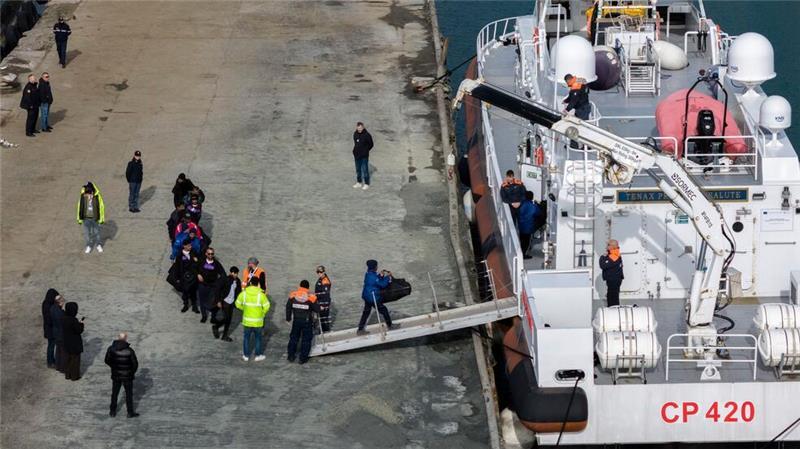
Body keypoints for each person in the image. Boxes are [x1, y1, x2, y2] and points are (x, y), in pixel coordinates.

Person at [235, 276, 271, 362]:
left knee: (246, 338)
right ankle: (258, 355)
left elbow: (237, 304)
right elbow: (267, 306)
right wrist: (262, 313)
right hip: (258, 322)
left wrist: (244, 309)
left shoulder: (243, 294)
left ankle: (246, 356)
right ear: (258, 284)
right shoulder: (261, 295)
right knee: (258, 338)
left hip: (247, 321)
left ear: (250, 283)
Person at [104, 333, 139, 418]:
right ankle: (130, 412)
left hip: (116, 375)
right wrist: (131, 372)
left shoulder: (111, 349)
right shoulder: (130, 351)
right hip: (127, 376)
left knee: (115, 393)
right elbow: (135, 364)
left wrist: (114, 367)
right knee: (128, 394)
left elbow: (106, 360)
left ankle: (112, 411)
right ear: (125, 339)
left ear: (118, 338)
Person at [356, 260, 395, 335]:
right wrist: (388, 277)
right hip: (372, 297)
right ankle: (390, 325)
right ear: (375, 267)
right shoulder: (373, 277)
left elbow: (375, 281)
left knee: (366, 313)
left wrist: (380, 275)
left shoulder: (368, 274)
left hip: (366, 296)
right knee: (384, 310)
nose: (377, 267)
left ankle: (360, 330)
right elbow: (382, 284)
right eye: (376, 266)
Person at [286, 280, 319, 364]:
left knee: (294, 338)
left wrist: (288, 318)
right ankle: (302, 358)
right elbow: (317, 309)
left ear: (300, 286)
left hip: (296, 320)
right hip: (307, 321)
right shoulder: (311, 297)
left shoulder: (293, 295)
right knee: (306, 340)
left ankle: (290, 356)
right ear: (307, 287)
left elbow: (288, 307)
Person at [196, 247, 226, 323]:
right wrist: (198, 274)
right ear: (206, 254)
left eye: (212, 254)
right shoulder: (201, 262)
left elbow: (223, 274)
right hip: (202, 285)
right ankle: (204, 316)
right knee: (202, 301)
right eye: (209, 253)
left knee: (213, 302)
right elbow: (195, 268)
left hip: (212, 286)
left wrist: (218, 283)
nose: (210, 255)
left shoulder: (216, 264)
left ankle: (213, 317)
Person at [76, 182, 106, 254]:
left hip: (95, 218)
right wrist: (79, 219)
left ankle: (98, 245)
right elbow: (80, 207)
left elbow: (101, 207)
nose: (88, 195)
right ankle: (89, 245)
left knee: (97, 232)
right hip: (86, 219)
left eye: (89, 194)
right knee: (87, 233)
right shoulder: (83, 197)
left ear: (92, 192)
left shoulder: (97, 197)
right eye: (86, 194)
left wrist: (101, 219)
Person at [213, 267, 241, 341]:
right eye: (234, 273)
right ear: (231, 272)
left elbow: (239, 292)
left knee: (228, 319)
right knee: (226, 318)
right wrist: (218, 301)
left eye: (236, 273)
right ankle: (216, 327)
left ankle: (224, 335)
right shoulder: (225, 279)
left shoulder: (238, 281)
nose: (235, 275)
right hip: (225, 301)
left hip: (231, 302)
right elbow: (217, 289)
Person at [175, 240, 199, 313]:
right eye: (189, 245)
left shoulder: (193, 252)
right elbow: (177, 267)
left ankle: (194, 306)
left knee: (193, 292)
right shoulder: (180, 255)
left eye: (191, 245)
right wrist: (178, 278)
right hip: (184, 277)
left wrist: (196, 260)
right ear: (184, 246)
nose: (190, 247)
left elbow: (198, 263)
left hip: (193, 276)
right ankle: (185, 305)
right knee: (185, 292)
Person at [62, 302, 84, 381]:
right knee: (75, 360)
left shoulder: (63, 318)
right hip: (74, 343)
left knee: (68, 359)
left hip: (66, 342)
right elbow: (79, 330)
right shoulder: (73, 320)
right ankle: (75, 376)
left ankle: (68, 375)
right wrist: (81, 324)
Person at [599, 239, 624, 307]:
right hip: (613, 279)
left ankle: (614, 311)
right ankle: (612, 310)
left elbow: (603, 265)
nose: (606, 246)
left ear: (612, 246)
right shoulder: (613, 254)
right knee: (611, 296)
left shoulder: (614, 256)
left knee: (613, 298)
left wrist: (602, 257)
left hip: (614, 280)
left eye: (608, 245)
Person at [352, 122, 374, 190]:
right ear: (357, 127)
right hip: (357, 155)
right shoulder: (355, 133)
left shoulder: (367, 135)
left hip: (364, 156)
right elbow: (356, 143)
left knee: (365, 170)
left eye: (361, 127)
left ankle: (366, 183)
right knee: (358, 170)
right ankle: (359, 182)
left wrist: (366, 150)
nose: (360, 129)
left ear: (363, 127)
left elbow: (371, 144)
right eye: (358, 127)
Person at [518, 191, 539, 259]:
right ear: (531, 197)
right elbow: (538, 213)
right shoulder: (533, 206)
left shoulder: (521, 204)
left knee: (521, 241)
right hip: (528, 228)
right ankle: (523, 255)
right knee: (526, 243)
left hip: (520, 227)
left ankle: (520, 254)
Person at [42, 288, 60, 368]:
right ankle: (50, 362)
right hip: (50, 330)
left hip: (49, 329)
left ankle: (52, 360)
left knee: (51, 345)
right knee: (51, 346)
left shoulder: (46, 303)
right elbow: (49, 320)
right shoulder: (49, 306)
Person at [315, 265, 333, 332]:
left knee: (324, 320)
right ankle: (322, 331)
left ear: (324, 272)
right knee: (321, 320)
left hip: (323, 304)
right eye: (318, 272)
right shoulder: (321, 279)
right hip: (319, 302)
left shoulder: (325, 281)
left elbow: (326, 295)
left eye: (321, 272)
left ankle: (326, 332)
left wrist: (323, 306)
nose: (319, 273)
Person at [50, 296, 66, 372]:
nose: (63, 303)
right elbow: (62, 324)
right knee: (62, 351)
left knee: (58, 350)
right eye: (63, 302)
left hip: (55, 332)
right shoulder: (60, 313)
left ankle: (58, 366)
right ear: (59, 302)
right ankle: (62, 367)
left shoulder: (52, 308)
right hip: (60, 333)